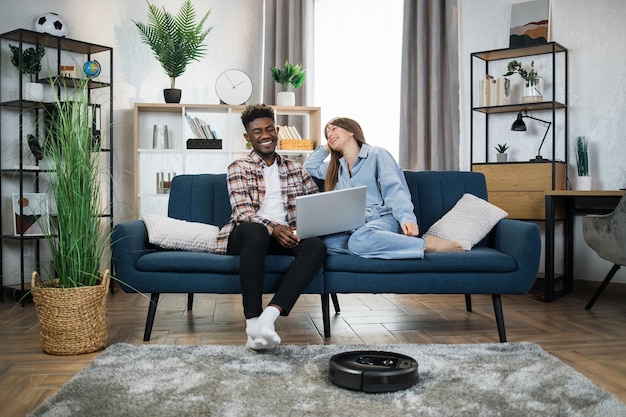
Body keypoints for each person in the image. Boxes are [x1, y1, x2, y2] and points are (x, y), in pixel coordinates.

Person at [215, 104, 326, 350]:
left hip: (286, 236)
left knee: (316, 246)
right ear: (248, 137)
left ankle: (267, 319)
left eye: (268, 129)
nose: (264, 135)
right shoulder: (239, 167)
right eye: (257, 131)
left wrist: (296, 230)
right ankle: (252, 320)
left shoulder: (296, 169)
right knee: (255, 231)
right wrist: (273, 227)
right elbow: (242, 213)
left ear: (276, 131)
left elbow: (315, 205)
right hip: (247, 237)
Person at [303, 117, 462, 259]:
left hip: (383, 219)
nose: (329, 134)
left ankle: (425, 245)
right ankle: (381, 245)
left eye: (334, 128)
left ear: (351, 131)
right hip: (353, 226)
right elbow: (308, 168)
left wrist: (406, 219)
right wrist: (326, 146)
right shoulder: (334, 168)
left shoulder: (376, 154)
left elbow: (395, 190)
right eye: (327, 133)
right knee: (327, 244)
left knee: (360, 240)